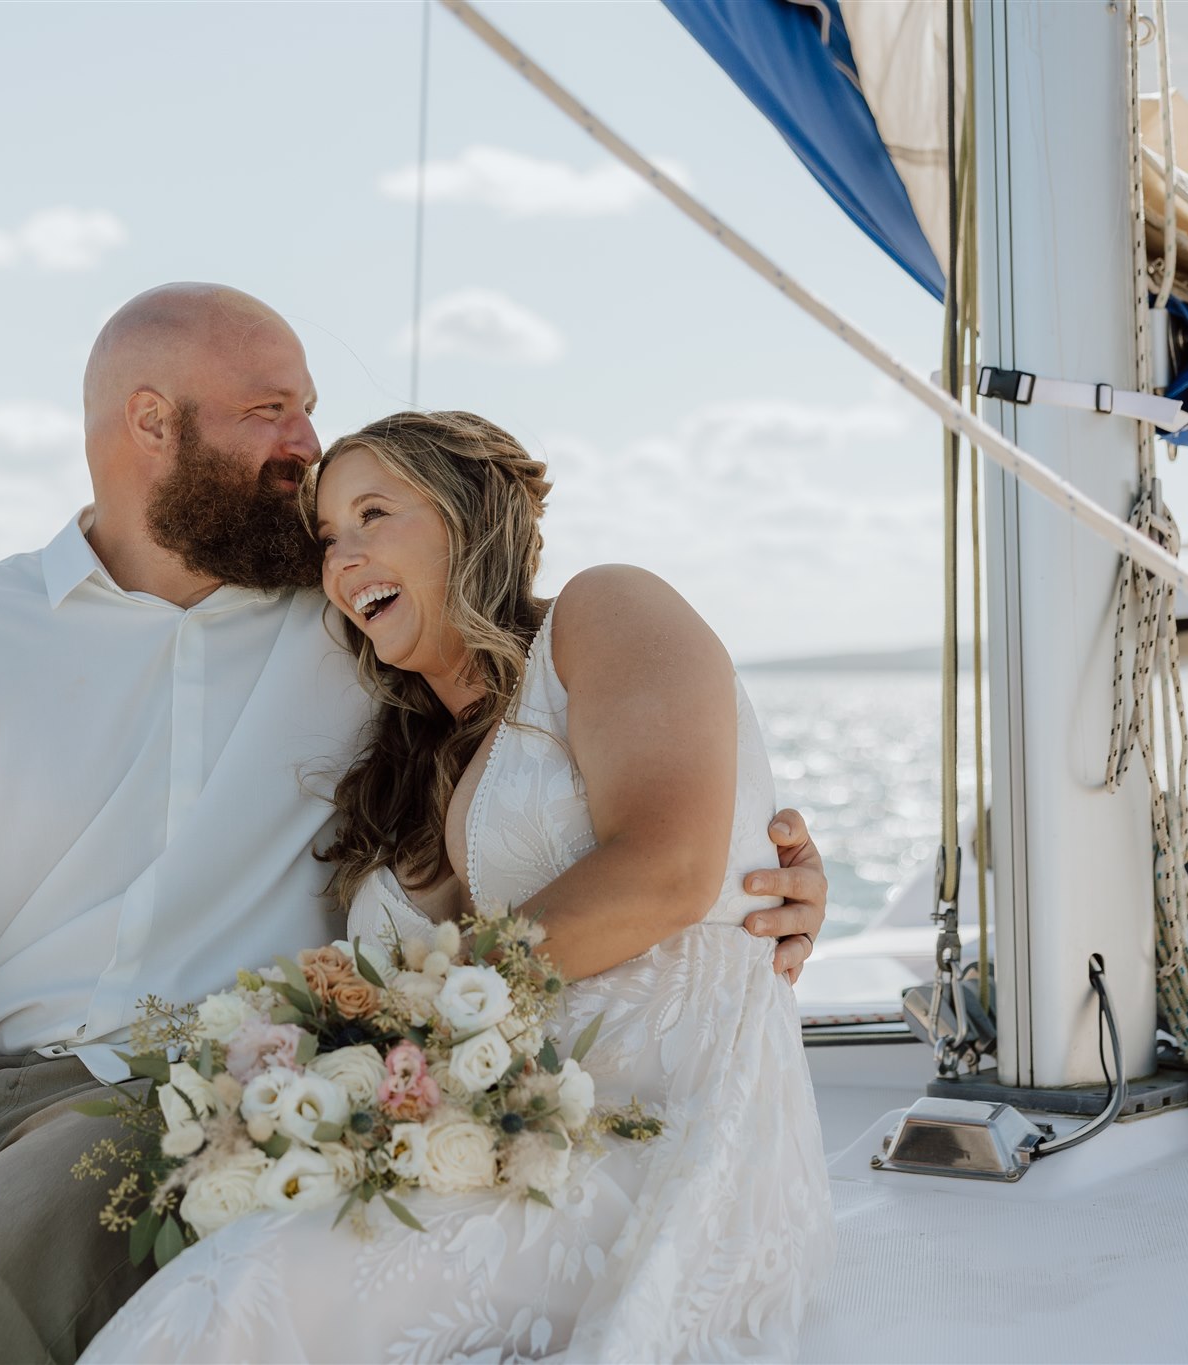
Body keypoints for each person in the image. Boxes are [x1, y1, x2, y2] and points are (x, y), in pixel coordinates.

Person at [0, 286, 828, 1365]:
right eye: (269, 411)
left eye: (312, 415)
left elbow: (563, 738)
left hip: (174, 1090)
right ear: (150, 424)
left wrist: (746, 875)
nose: (306, 445)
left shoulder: (360, 630)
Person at [82, 410, 835, 1363]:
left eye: (374, 513)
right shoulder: (409, 757)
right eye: (327, 538)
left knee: (248, 1298)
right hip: (505, 1130)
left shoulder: (605, 611)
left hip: (673, 1128)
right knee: (231, 1274)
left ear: (467, 516)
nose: (345, 557)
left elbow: (672, 868)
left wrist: (404, 1029)